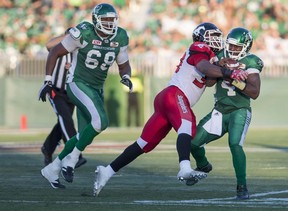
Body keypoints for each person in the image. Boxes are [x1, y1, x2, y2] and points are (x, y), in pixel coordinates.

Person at [93, 22, 249, 197]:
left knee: (144, 143)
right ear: (201, 37)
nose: (216, 40)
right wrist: (229, 73)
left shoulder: (210, 56)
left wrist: (221, 65)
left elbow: (210, 79)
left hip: (167, 99)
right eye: (212, 36)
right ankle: (184, 168)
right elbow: (202, 67)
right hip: (175, 95)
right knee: (187, 125)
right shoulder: (199, 46)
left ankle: (107, 171)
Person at [39, 3, 133, 189]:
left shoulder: (120, 36)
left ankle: (53, 168)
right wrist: (48, 80)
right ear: (96, 20)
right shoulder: (84, 32)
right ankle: (71, 160)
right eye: (105, 20)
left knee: (85, 134)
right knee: (101, 122)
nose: (109, 23)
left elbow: (123, 63)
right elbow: (54, 51)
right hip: (77, 83)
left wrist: (126, 76)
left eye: (112, 20)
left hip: (97, 88)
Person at [189, 27, 264, 200]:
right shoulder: (220, 55)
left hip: (239, 110)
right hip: (220, 111)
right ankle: (203, 165)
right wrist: (219, 66)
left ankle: (242, 185)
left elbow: (254, 92)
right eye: (230, 45)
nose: (232, 50)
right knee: (193, 143)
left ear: (246, 46)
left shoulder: (251, 61)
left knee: (235, 145)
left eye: (237, 47)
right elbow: (208, 83)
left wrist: (234, 80)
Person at [40, 28, 87, 169]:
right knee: (66, 120)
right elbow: (49, 45)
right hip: (56, 90)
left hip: (71, 92)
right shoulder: (61, 47)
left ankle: (47, 148)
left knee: (62, 123)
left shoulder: (79, 51)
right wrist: (67, 36)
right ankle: (75, 154)